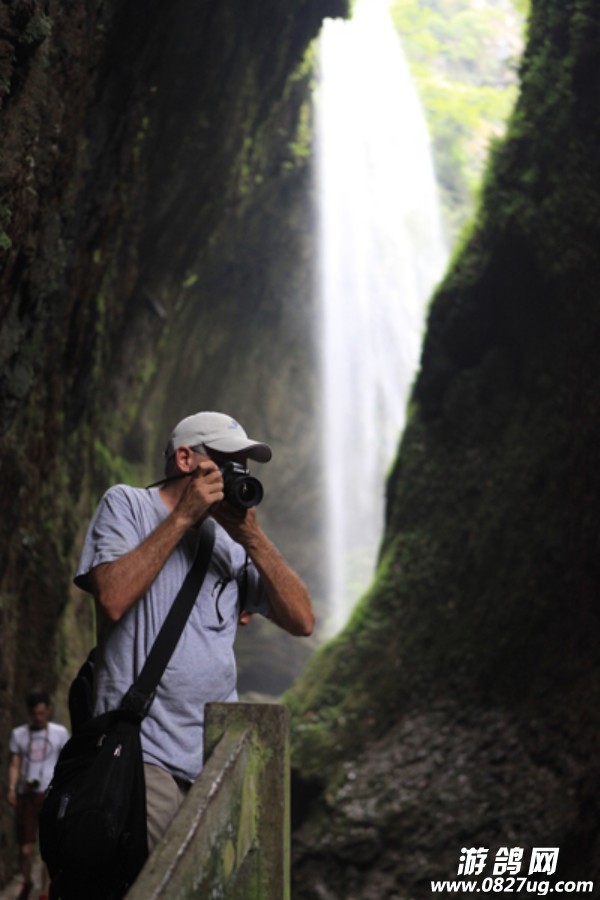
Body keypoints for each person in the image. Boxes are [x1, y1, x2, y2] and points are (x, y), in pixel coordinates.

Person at [74, 411, 314, 852]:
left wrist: (252, 538)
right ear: (185, 459)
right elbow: (112, 597)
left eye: (242, 469)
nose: (234, 477)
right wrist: (184, 517)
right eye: (225, 464)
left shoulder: (231, 544)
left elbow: (302, 620)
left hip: (214, 761)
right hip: (143, 754)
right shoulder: (128, 505)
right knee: (150, 879)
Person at [7, 691, 69, 900]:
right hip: (27, 795)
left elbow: (66, 761)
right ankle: (27, 880)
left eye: (42, 713)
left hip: (50, 794)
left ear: (48, 711)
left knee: (48, 847)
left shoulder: (59, 733)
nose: (39, 717)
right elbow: (15, 763)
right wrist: (12, 788)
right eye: (35, 714)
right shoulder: (19, 734)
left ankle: (45, 891)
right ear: (29, 713)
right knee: (25, 849)